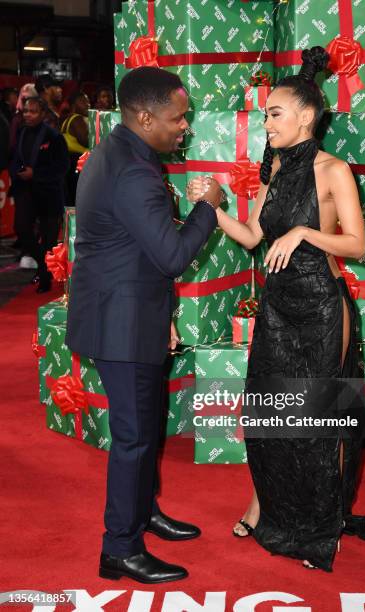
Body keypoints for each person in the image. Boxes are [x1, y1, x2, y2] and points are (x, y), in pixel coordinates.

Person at [187, 46, 365, 572]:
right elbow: (253, 237)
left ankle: (322, 528)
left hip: (321, 308)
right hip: (276, 309)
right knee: (268, 416)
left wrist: (303, 231)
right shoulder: (274, 172)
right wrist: (214, 206)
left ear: (306, 117)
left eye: (274, 112)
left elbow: (358, 246)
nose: (265, 120)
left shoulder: (334, 170)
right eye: (266, 112)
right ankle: (263, 505)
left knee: (320, 420)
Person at [65, 67, 222, 584]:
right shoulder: (132, 170)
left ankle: (142, 512)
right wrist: (208, 207)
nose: (185, 127)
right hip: (122, 325)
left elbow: (137, 250)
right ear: (145, 116)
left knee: (147, 429)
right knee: (133, 438)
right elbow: (173, 255)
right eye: (179, 119)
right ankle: (120, 548)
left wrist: (166, 315)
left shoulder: (121, 154)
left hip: (132, 315)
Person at [9, 97, 69, 293]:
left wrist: (36, 174)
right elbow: (15, 157)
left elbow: (62, 167)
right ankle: (43, 266)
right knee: (22, 230)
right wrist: (17, 171)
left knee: (49, 240)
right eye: (25, 111)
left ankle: (44, 277)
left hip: (49, 194)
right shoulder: (21, 132)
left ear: (43, 114)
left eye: (33, 111)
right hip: (26, 191)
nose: (28, 115)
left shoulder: (54, 137)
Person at [61, 91, 90, 204]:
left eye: (88, 101)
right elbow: (86, 141)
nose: (87, 104)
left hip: (70, 163)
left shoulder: (67, 119)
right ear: (73, 105)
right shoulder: (77, 119)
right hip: (78, 163)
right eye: (83, 102)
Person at [10, 83, 38, 150]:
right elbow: (12, 145)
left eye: (28, 99)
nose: (26, 102)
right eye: (23, 99)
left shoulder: (41, 117)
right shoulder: (17, 119)